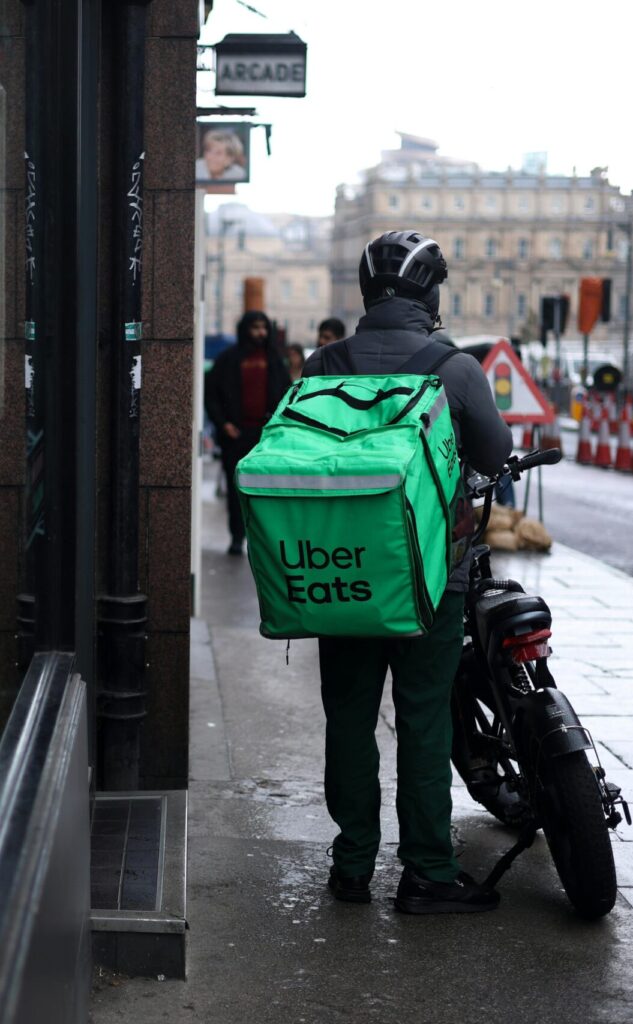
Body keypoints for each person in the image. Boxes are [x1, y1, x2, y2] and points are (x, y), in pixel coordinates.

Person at [302, 231, 513, 913]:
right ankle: (426, 870)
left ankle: (352, 865)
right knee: (425, 721)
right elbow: (494, 452)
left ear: (366, 295)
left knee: (349, 718)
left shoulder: (321, 363)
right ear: (430, 295)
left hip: (344, 573)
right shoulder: (452, 368)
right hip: (429, 580)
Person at [205, 310, 291, 555]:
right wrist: (223, 424)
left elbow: (286, 395)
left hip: (266, 436)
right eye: (255, 327)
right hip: (236, 435)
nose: (261, 333)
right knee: (236, 491)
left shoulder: (274, 360)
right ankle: (236, 537)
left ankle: (264, 540)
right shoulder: (228, 359)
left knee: (267, 490)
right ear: (245, 329)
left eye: (264, 327)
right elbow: (212, 395)